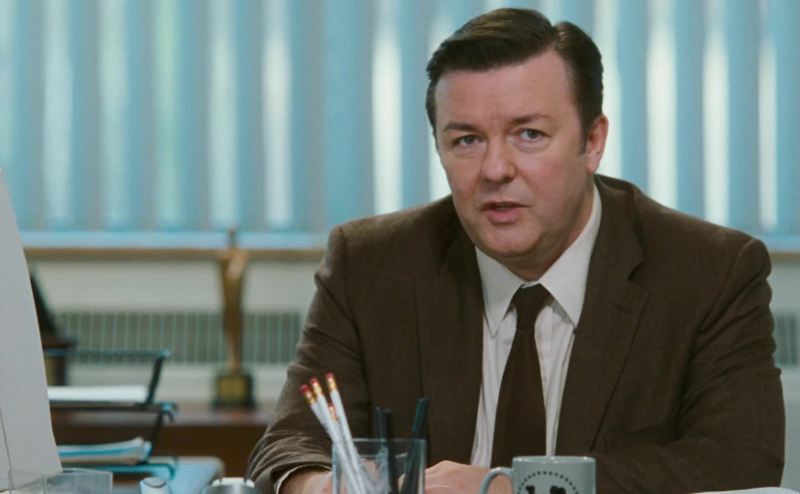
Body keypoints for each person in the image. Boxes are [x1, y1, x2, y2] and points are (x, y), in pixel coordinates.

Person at [247, 8, 784, 493]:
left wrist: (508, 487)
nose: (496, 170)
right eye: (467, 140)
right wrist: (326, 487)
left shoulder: (709, 272)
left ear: (592, 142)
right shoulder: (370, 264)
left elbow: (741, 461)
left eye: (528, 135)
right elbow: (288, 448)